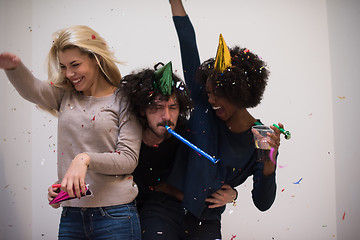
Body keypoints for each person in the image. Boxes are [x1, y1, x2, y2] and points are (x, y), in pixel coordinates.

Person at [1, 25, 142, 239]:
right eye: (64, 66)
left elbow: (128, 159)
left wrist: (84, 159)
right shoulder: (65, 96)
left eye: (75, 65)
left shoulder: (124, 100)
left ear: (95, 58)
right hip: (71, 216)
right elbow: (33, 90)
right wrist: (14, 68)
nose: (69, 74)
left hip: (116, 217)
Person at [164, 0, 284, 238]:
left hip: (206, 220)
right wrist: (175, 2)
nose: (211, 100)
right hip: (166, 209)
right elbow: (188, 43)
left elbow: (263, 202)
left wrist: (269, 161)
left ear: (239, 94)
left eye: (218, 94)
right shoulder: (203, 103)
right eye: (208, 93)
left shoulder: (261, 137)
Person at [120, 62, 238, 239]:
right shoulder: (128, 139)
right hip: (144, 218)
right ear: (143, 109)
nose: (166, 116)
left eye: (172, 107)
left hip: (192, 215)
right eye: (157, 107)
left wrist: (233, 194)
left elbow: (215, 172)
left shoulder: (189, 134)